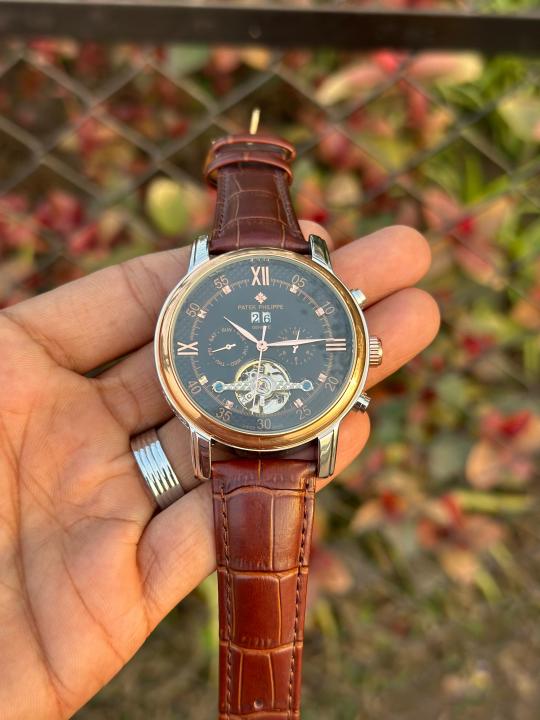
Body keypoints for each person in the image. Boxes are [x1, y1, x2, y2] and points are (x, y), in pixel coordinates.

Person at [0, 221, 439, 719]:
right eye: (254, 345)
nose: (261, 349)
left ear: (364, 352)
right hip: (223, 430)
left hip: (285, 430)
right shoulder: (216, 301)